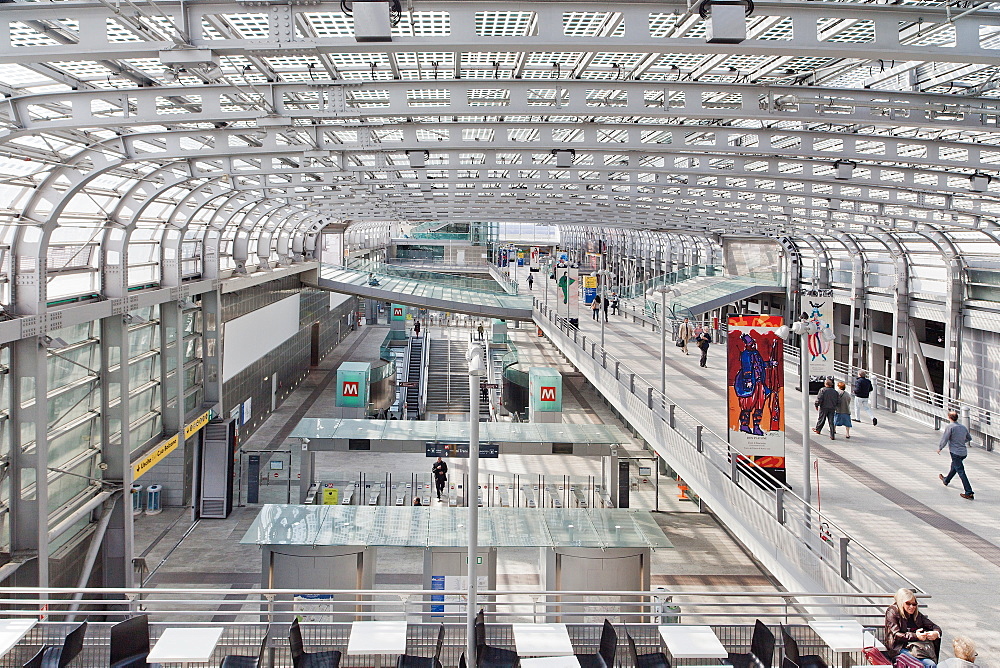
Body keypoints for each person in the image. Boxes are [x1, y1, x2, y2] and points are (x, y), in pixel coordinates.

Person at [885, 588, 941, 667]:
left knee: (931, 664)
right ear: (901, 603)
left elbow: (934, 626)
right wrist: (916, 636)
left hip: (917, 648)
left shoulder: (916, 614)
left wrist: (935, 633)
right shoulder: (892, 611)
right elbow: (895, 634)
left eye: (914, 604)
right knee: (927, 665)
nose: (912, 607)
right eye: (908, 603)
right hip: (899, 648)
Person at [938, 410, 974, 499]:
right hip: (963, 452)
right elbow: (969, 438)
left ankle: (969, 492)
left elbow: (945, 439)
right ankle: (946, 480)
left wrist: (940, 448)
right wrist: (961, 441)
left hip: (955, 452)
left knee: (961, 471)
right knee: (954, 466)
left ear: (949, 417)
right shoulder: (963, 427)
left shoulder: (950, 427)